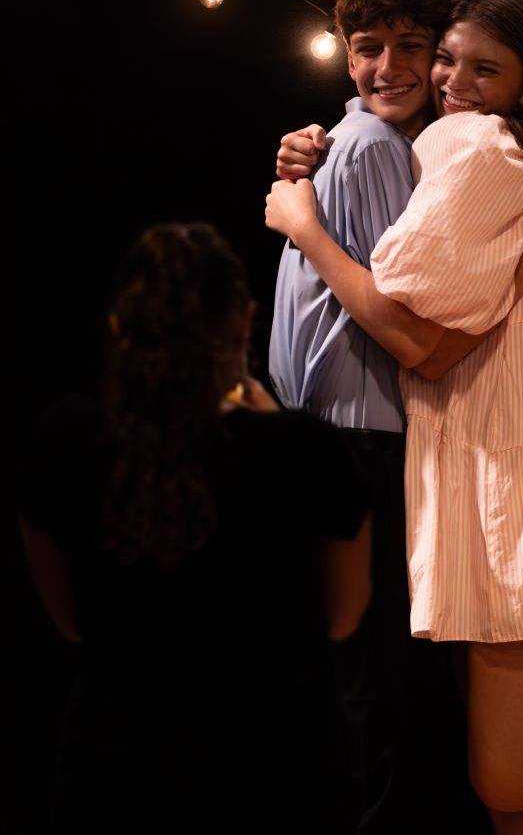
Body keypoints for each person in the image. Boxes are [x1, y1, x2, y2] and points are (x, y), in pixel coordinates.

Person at [265, 0, 523, 834]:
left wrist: (306, 227)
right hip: (491, 479)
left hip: (518, 482)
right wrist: (312, 145)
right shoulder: (459, 150)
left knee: (506, 775)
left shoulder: (477, 144)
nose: (449, 79)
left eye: (479, 66)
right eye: (448, 58)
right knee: (520, 796)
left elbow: (421, 342)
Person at [18, 222, 371, 835]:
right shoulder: (307, 454)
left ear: (119, 328)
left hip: (115, 780)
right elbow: (343, 618)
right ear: (242, 326)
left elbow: (71, 623)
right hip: (279, 781)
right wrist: (271, 421)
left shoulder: (63, 442)